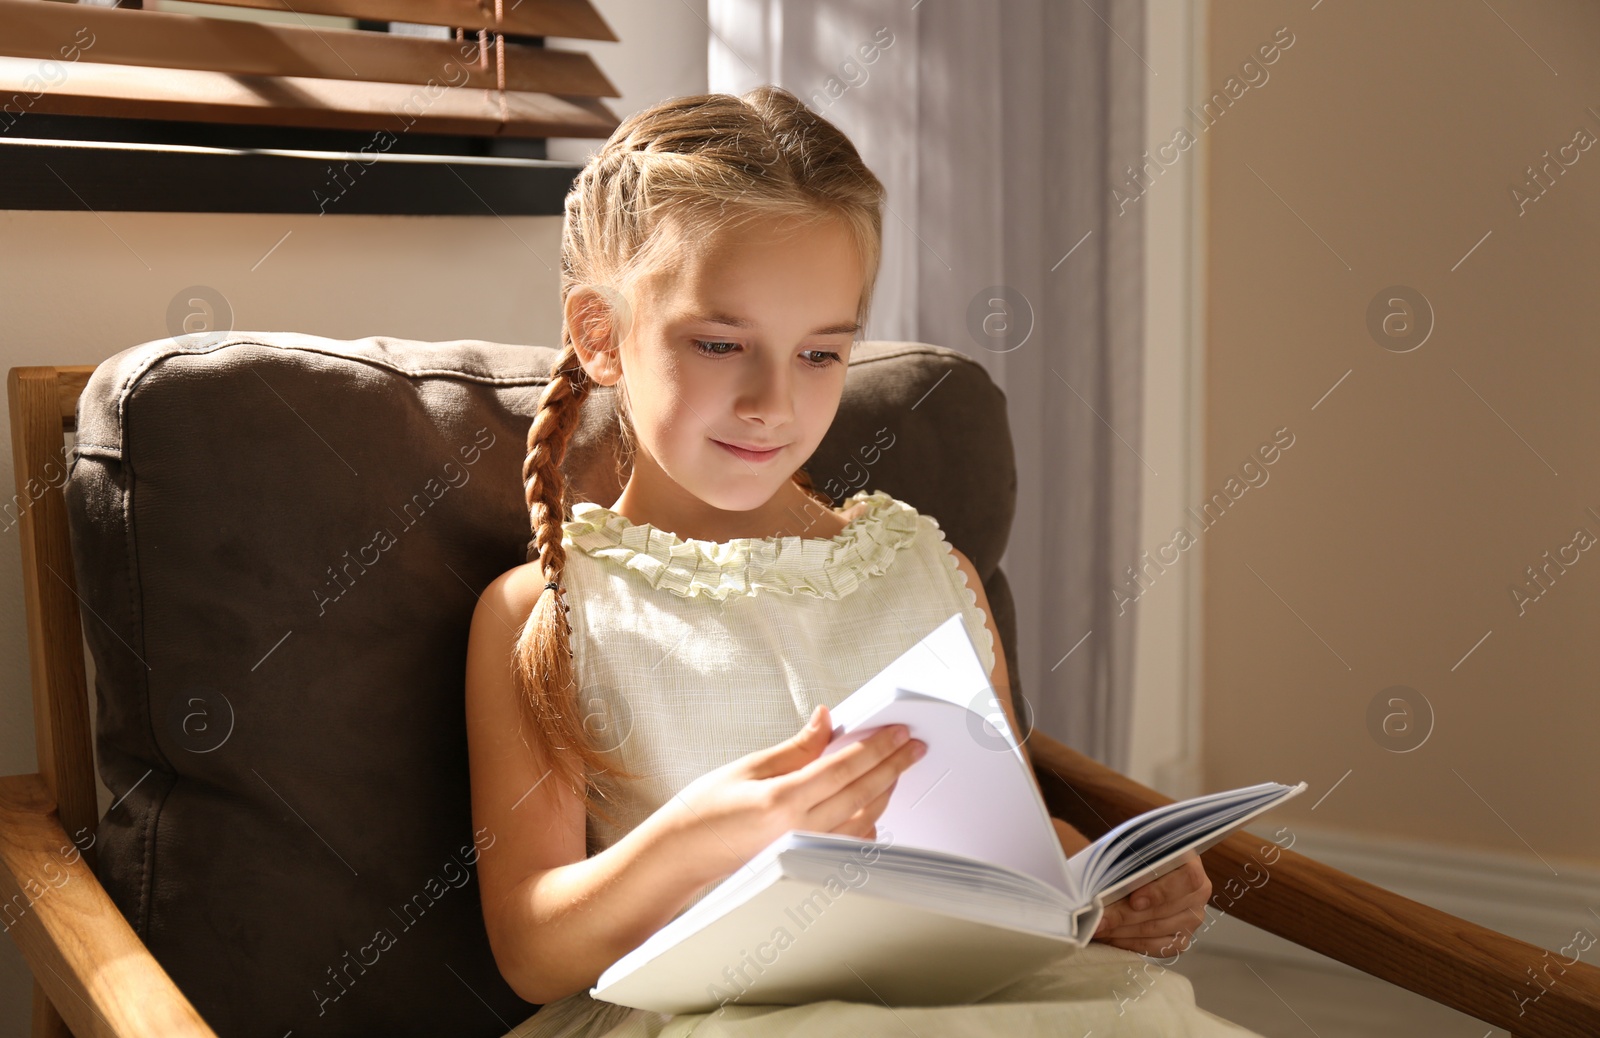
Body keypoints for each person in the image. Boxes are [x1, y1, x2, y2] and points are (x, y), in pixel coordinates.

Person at [464, 84, 1266, 1038]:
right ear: (602, 335)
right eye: (722, 344)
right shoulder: (548, 611)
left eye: (819, 355)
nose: (773, 401)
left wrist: (1101, 882)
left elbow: (1000, 835)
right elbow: (529, 951)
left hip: (958, 1000)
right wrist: (690, 841)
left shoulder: (932, 574)